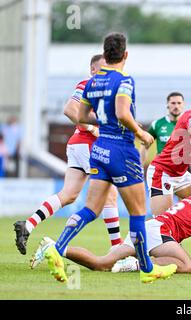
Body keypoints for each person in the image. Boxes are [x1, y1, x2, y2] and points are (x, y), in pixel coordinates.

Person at [40, 32, 177, 284]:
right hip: (121, 150)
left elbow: (81, 115)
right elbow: (123, 112)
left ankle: (56, 248)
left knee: (90, 209)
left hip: (99, 149)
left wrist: (103, 122)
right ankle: (147, 268)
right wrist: (141, 132)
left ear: (105, 55)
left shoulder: (93, 81)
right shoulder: (124, 80)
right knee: (138, 212)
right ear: (125, 55)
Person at [13, 55, 123, 255]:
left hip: (77, 145)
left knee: (69, 194)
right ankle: (117, 250)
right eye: (101, 68)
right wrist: (92, 128)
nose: (105, 73)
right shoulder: (88, 84)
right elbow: (70, 110)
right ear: (92, 69)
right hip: (87, 145)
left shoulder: (106, 89)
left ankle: (28, 225)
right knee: (110, 194)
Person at [31, 179, 191, 274]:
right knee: (186, 266)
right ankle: (136, 264)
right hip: (161, 233)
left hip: (148, 227)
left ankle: (55, 247)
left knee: (102, 264)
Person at [140, 92, 184, 166]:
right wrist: (140, 166)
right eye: (173, 103)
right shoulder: (157, 124)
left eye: (179, 103)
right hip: (163, 166)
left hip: (182, 167)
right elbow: (145, 145)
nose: (176, 106)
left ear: (183, 105)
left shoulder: (188, 124)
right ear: (167, 104)